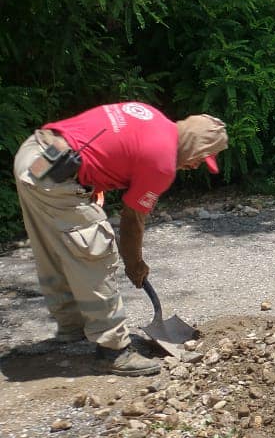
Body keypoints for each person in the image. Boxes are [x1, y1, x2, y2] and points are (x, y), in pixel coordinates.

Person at [12, 103, 228, 376]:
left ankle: (72, 326)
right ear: (193, 142)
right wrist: (134, 263)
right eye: (201, 156)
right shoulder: (161, 162)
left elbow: (107, 143)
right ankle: (113, 350)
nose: (196, 164)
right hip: (57, 174)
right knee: (95, 251)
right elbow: (132, 220)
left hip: (36, 158)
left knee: (56, 247)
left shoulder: (150, 115)